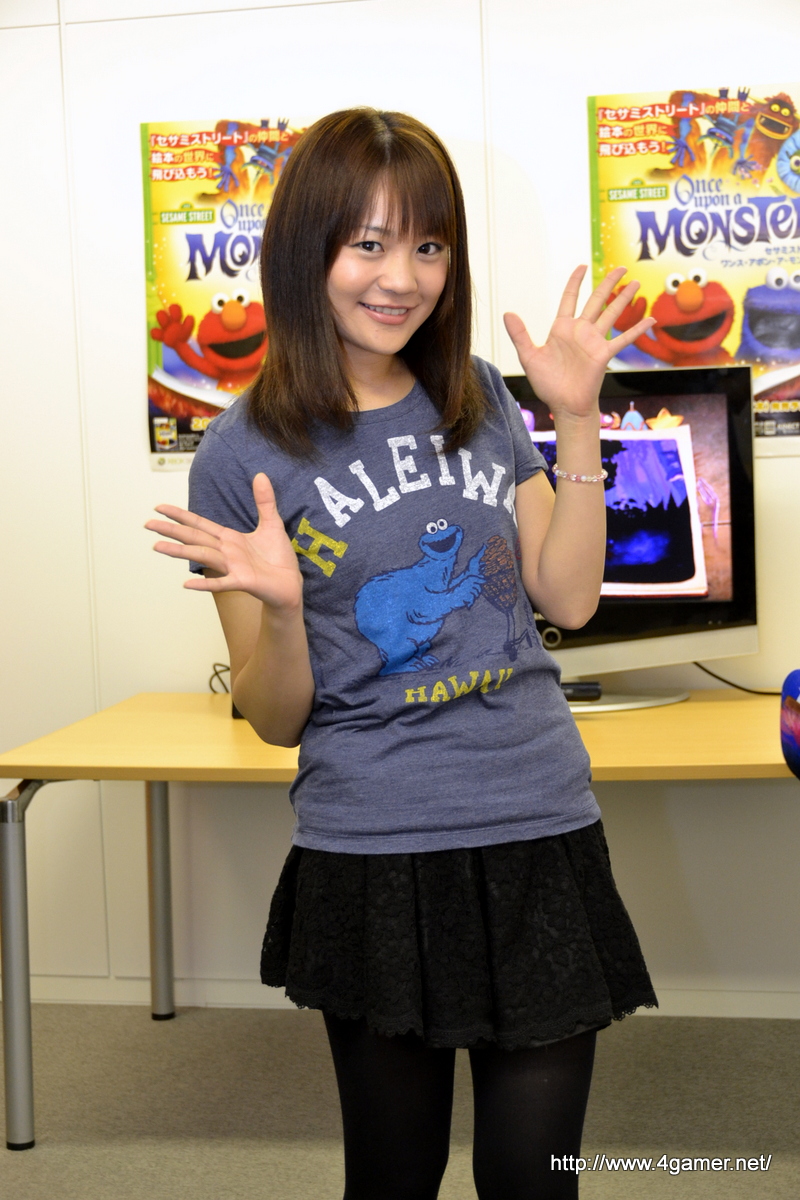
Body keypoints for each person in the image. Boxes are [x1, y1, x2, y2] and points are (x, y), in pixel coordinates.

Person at [147, 108, 658, 1200]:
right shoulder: (242, 453)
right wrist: (285, 611)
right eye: (368, 243)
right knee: (394, 1175)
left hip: (536, 819)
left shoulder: (474, 393)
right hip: (374, 845)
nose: (402, 277)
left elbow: (566, 597)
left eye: (428, 245)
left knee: (536, 1177)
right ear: (307, 250)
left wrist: (575, 419)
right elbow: (274, 717)